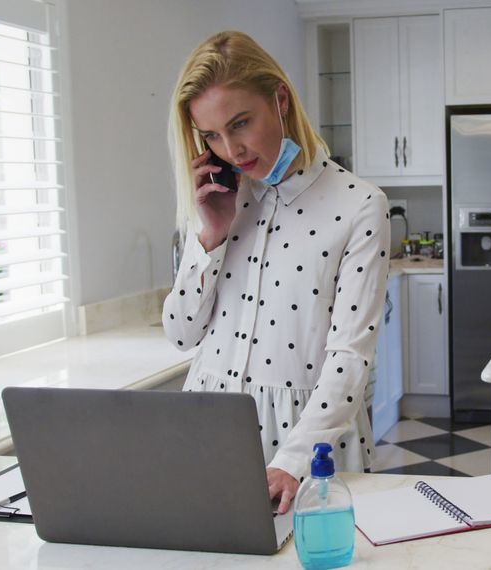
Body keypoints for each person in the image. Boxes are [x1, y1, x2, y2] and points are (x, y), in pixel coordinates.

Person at [162, 31, 389, 515]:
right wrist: (210, 236)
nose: (231, 149)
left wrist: (293, 459)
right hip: (208, 432)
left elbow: (350, 355)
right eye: (211, 136)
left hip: (310, 444)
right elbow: (181, 334)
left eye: (241, 123)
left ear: (280, 99)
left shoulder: (359, 206)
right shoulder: (215, 201)